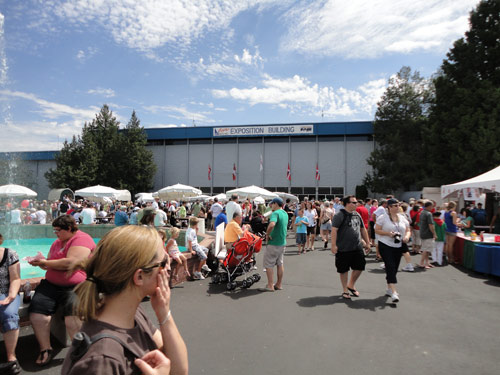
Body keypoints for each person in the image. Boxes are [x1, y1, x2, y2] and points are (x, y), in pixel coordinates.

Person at [60, 225, 188, 375]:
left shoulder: (133, 315)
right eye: (163, 262)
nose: (168, 267)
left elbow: (179, 370)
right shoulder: (102, 360)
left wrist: (164, 312)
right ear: (139, 276)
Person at [28, 215, 96, 366]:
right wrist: (41, 263)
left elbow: (71, 262)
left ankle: (80, 353)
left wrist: (46, 262)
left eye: (58, 230)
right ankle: (45, 349)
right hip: (51, 284)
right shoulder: (57, 242)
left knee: (72, 320)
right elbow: (52, 263)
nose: (56, 233)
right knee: (37, 314)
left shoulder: (82, 239)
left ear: (70, 229)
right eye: (55, 230)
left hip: (75, 286)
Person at [331, 196, 370, 300]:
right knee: (343, 269)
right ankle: (345, 289)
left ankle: (351, 284)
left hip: (357, 246)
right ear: (347, 203)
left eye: (356, 202)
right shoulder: (339, 215)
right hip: (343, 248)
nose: (356, 204)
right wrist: (333, 245)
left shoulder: (357, 215)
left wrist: (368, 242)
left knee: (360, 266)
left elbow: (363, 229)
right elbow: (334, 230)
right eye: (354, 202)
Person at [375, 198, 411, 303]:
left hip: (398, 245)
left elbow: (408, 229)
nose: (397, 207)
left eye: (398, 205)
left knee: (394, 268)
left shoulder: (402, 217)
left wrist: (407, 237)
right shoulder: (383, 218)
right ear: (389, 207)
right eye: (395, 205)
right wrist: (388, 233)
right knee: (390, 266)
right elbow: (377, 230)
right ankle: (394, 292)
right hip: (385, 244)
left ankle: (389, 289)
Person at [0, 234, 21, 375]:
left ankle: (11, 358)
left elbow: (15, 278)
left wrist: (11, 295)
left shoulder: (10, 254)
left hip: (6, 292)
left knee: (9, 314)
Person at [259, 197, 288, 292]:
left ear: (276, 204)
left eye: (272, 204)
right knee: (280, 263)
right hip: (282, 242)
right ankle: (279, 284)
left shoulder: (275, 213)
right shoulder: (285, 213)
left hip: (274, 242)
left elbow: (272, 224)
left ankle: (270, 285)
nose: (271, 205)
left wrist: (267, 234)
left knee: (269, 264)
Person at [418, 201, 437, 269]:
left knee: (426, 248)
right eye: (432, 206)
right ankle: (421, 263)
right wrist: (434, 233)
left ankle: (427, 262)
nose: (432, 207)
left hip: (423, 232)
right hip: (428, 233)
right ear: (429, 206)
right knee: (426, 249)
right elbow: (431, 224)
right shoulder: (428, 214)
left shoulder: (422, 212)